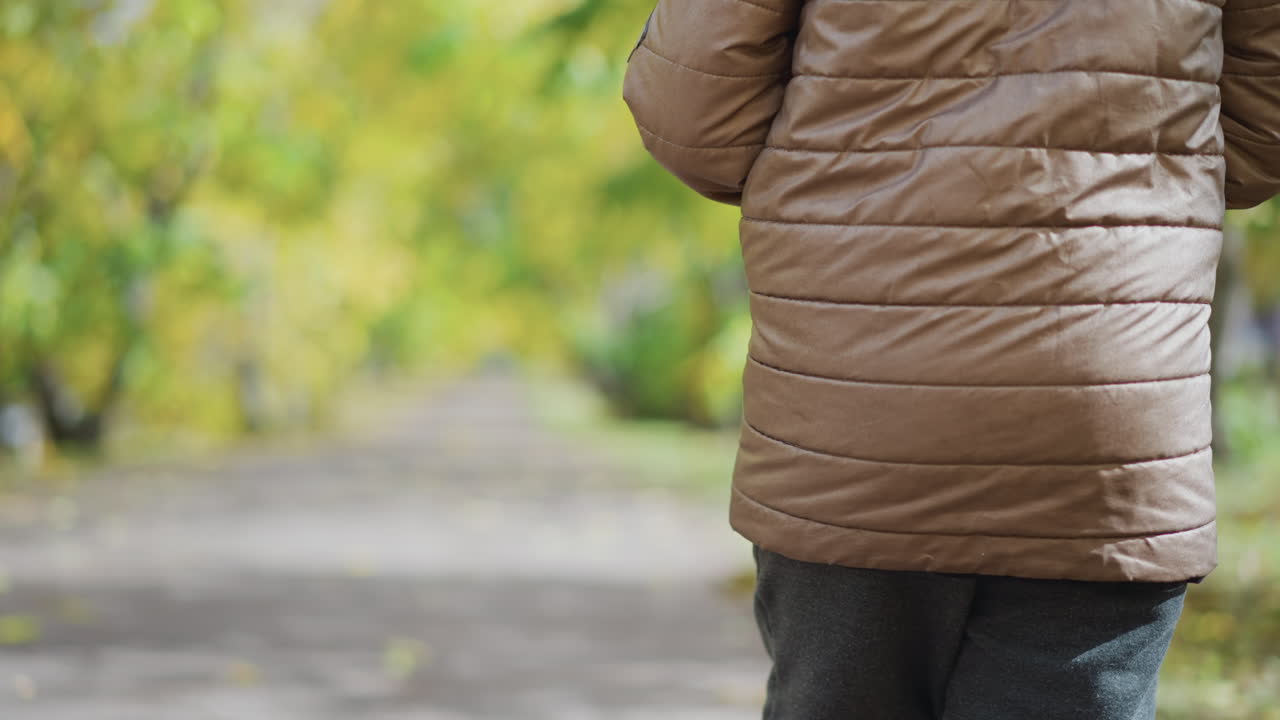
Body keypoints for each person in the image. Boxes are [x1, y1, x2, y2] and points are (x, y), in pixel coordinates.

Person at [621, 1, 1280, 718]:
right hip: (1106, 421)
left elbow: (693, 123)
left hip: (860, 421)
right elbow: (1261, 130)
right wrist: (1138, 195)